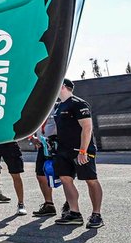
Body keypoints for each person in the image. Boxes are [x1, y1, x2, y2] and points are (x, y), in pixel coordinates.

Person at [52, 79, 104, 228]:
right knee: (65, 179)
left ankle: (96, 215)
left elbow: (87, 128)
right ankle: (74, 213)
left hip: (81, 151)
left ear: (62, 86)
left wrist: (83, 150)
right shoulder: (58, 106)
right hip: (63, 151)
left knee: (90, 179)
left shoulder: (78, 103)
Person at [30, 113, 60, 218]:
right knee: (40, 175)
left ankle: (70, 205)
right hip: (43, 145)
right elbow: (28, 125)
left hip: (58, 143)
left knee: (65, 176)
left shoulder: (57, 105)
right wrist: (31, 138)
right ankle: (49, 205)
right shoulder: (37, 108)